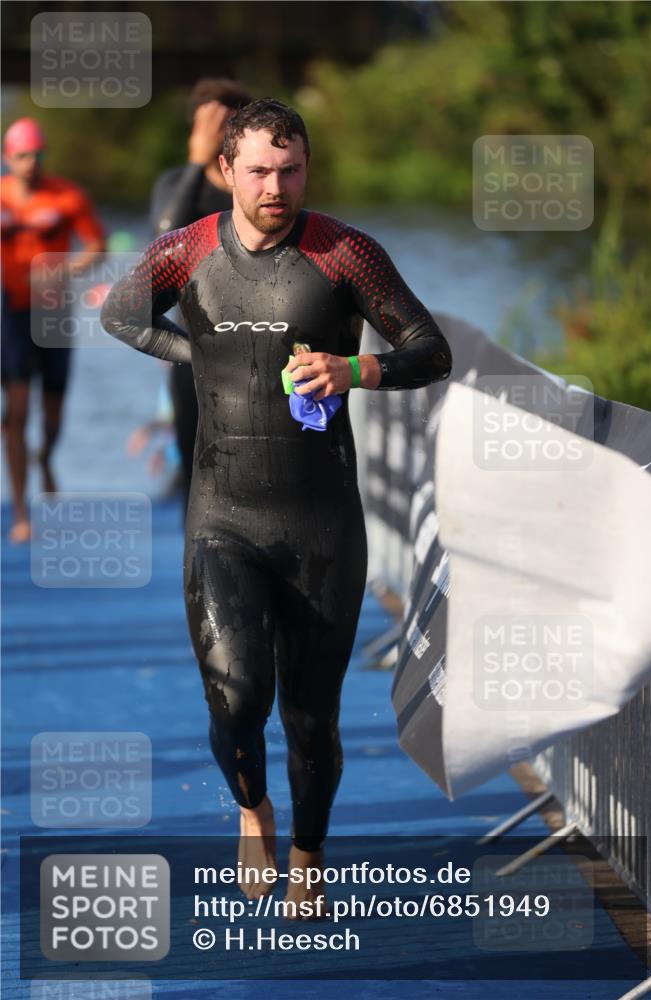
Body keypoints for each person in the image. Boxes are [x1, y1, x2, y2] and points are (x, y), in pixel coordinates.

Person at [100, 98, 452, 920]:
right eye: (258, 169)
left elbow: (428, 351)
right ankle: (252, 809)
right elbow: (121, 315)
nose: (275, 186)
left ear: (306, 170)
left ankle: (309, 855)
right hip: (222, 513)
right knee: (235, 696)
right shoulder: (185, 251)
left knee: (309, 716)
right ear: (226, 171)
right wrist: (200, 355)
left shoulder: (344, 254)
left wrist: (353, 371)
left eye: (290, 170)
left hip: (323, 523)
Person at [150, 79, 253, 511]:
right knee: (196, 476)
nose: (215, 136)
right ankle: (197, 575)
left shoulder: (254, 189)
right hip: (194, 348)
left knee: (250, 471)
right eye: (206, 126)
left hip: (255, 342)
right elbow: (162, 237)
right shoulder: (178, 183)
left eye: (224, 126)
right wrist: (196, 162)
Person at [1, 117, 106, 543]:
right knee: (16, 412)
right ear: (9, 157)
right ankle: (22, 510)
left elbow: (96, 246)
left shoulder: (67, 195)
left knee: (51, 417)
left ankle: (46, 456)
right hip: (11, 313)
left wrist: (67, 268)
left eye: (37, 155)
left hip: (53, 311)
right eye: (22, 156)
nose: (30, 163)